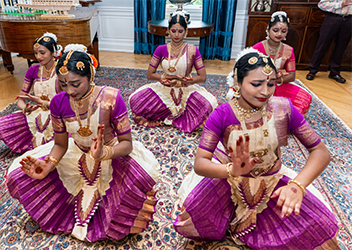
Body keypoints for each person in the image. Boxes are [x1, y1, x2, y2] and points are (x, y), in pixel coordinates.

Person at [173, 48, 340, 249]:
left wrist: (297, 186)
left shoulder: (283, 109)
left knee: (318, 227)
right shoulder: (222, 114)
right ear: (238, 82)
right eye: (256, 84)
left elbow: (321, 152)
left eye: (270, 84)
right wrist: (232, 171)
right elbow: (200, 163)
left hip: (272, 182)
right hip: (230, 180)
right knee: (195, 218)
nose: (265, 92)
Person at [6, 44, 159, 242]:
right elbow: (60, 144)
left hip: (111, 153)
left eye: (75, 84)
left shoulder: (112, 98)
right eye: (62, 84)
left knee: (134, 191)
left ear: (90, 76)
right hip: (76, 152)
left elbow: (127, 144)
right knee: (18, 175)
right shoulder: (58, 103)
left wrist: (103, 153)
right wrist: (48, 165)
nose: (69, 91)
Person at [129, 12, 218, 133]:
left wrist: (188, 80)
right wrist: (166, 78)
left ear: (186, 32)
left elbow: (202, 77)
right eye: (173, 30)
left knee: (209, 105)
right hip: (165, 88)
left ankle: (174, 114)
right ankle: (175, 113)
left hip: (186, 88)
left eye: (180, 31)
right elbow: (150, 75)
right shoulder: (160, 49)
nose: (176, 35)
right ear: (168, 31)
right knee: (134, 100)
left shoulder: (193, 50)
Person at [0, 32, 62, 153]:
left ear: (53, 52)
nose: (38, 56)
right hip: (36, 113)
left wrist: (44, 103)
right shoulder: (33, 70)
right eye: (36, 53)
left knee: (55, 146)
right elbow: (21, 99)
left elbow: (66, 101)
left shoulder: (61, 70)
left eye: (42, 53)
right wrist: (25, 109)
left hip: (57, 113)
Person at [253, 11, 312, 116]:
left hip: (278, 84)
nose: (279, 34)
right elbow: (250, 71)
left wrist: (275, 79)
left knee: (304, 98)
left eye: (283, 31)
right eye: (275, 30)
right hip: (259, 84)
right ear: (268, 30)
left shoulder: (288, 50)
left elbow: (292, 76)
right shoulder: (257, 48)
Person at [306, 0, 352, 83]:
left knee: (341, 47)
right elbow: (322, 4)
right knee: (322, 44)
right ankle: (313, 70)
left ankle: (335, 72)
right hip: (333, 18)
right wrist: (341, 4)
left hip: (349, 20)